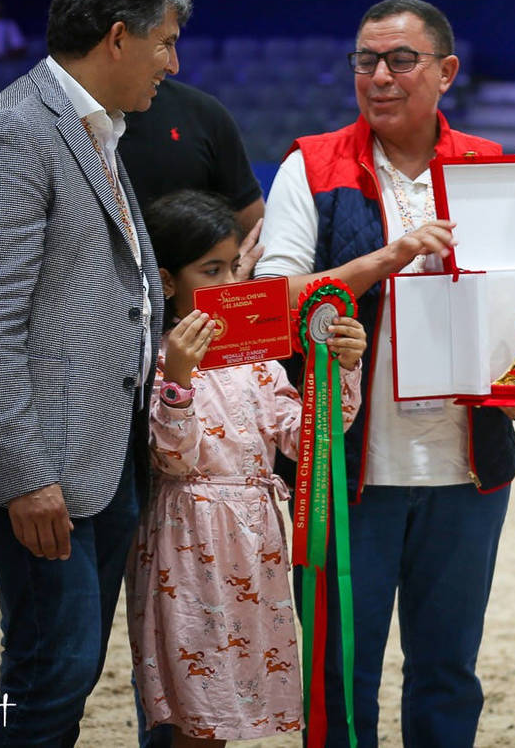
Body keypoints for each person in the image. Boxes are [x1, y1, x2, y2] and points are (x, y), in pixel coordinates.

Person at [255, 0, 515, 747]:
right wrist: (389, 257)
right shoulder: (310, 166)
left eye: (400, 59)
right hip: (344, 471)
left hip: (468, 471)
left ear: (445, 72)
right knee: (338, 677)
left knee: (448, 673)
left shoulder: (494, 170)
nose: (379, 75)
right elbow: (272, 303)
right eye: (365, 60)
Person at [0, 0, 191, 746]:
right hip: (41, 464)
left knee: (64, 663)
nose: (173, 60)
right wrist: (23, 473)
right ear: (117, 38)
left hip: (100, 450)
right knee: (49, 665)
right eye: (165, 40)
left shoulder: (95, 128)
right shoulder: (13, 133)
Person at [130, 189, 365, 745]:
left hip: (255, 541)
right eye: (210, 271)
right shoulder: (155, 358)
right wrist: (180, 380)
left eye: (235, 267)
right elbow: (172, 456)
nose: (229, 285)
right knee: (198, 701)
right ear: (167, 281)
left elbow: (306, 435)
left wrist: (340, 369)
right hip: (190, 543)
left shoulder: (254, 355)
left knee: (231, 695)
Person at [61, 0, 266, 271]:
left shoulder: (204, 115)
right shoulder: (16, 132)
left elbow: (254, 234)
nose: (173, 65)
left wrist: (227, 289)